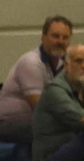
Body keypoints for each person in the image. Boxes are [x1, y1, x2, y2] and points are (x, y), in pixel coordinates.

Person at [0, 15, 72, 143]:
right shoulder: (31, 62)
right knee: (55, 131)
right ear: (43, 37)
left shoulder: (65, 64)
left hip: (33, 124)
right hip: (7, 124)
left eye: (65, 37)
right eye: (55, 36)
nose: (60, 41)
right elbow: (39, 108)